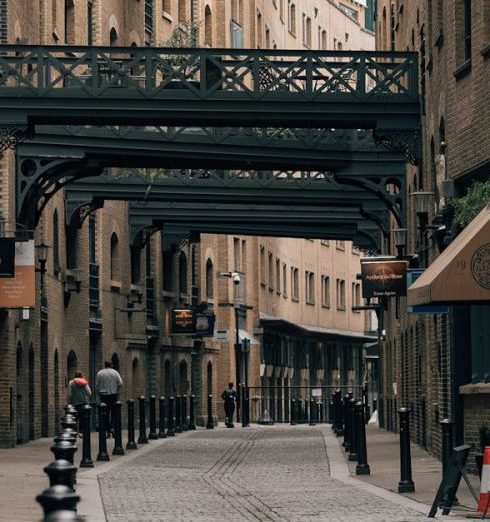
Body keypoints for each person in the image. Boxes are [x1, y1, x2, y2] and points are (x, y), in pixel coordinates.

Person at [95, 361, 123, 437]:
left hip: (104, 396)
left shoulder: (100, 373)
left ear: (105, 365)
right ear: (111, 365)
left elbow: (97, 385)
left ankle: (107, 430)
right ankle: (113, 427)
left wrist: (100, 392)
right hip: (113, 395)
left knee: (105, 413)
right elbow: (120, 383)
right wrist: (115, 388)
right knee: (114, 412)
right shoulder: (115, 372)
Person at [68, 370, 91, 435]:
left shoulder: (71, 382)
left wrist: (70, 401)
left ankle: (74, 432)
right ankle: (81, 432)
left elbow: (69, 394)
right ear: (81, 375)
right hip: (83, 403)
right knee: (82, 418)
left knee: (74, 418)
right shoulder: (84, 383)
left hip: (74, 403)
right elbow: (89, 393)